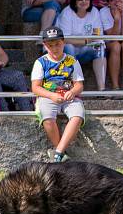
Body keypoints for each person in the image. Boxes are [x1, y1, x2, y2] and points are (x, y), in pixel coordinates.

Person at [31, 26, 85, 162]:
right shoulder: (40, 62)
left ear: (63, 42)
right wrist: (51, 96)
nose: (54, 48)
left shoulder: (72, 61)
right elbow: (35, 87)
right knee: (48, 118)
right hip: (48, 96)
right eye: (50, 45)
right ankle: (60, 152)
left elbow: (79, 84)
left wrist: (72, 92)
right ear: (45, 45)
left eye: (57, 44)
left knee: (77, 116)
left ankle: (58, 153)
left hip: (69, 96)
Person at [55, 0, 107, 90]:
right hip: (69, 50)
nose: (84, 1)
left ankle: (102, 89)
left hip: (86, 49)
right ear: (74, 1)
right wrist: (85, 41)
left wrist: (86, 41)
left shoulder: (94, 12)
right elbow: (65, 39)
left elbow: (96, 35)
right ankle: (70, 87)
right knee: (68, 47)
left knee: (100, 46)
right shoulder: (67, 12)